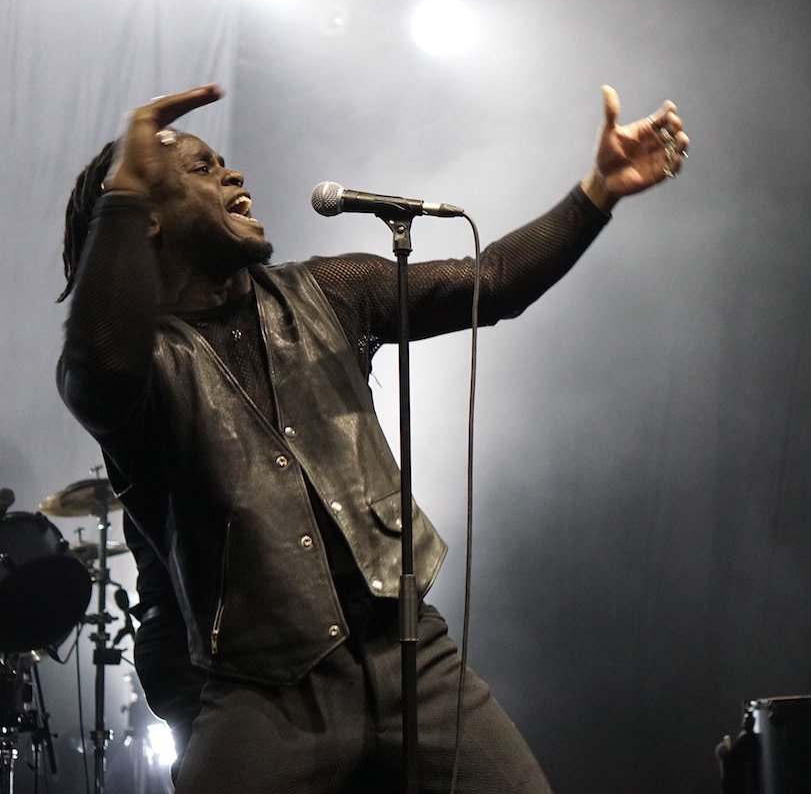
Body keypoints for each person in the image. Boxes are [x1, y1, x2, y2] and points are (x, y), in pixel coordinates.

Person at [56, 83, 688, 794]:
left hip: (409, 653)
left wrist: (598, 189)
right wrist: (122, 194)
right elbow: (98, 363)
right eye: (203, 170)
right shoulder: (135, 365)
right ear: (145, 217)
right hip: (261, 686)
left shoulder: (329, 292)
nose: (234, 176)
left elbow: (494, 281)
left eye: (227, 163)